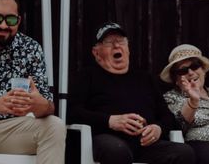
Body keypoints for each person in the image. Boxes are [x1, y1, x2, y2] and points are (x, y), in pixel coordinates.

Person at [68, 22, 195, 164]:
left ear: (127, 49)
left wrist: (158, 128)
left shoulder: (145, 78)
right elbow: (72, 112)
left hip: (145, 144)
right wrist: (110, 121)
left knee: (184, 152)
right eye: (109, 42)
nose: (117, 46)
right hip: (108, 140)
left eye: (121, 41)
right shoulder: (88, 76)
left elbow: (167, 117)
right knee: (116, 150)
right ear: (96, 52)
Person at [0, 0, 66, 163]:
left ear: (18, 21)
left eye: (10, 19)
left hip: (14, 130)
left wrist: (38, 105)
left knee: (54, 125)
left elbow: (48, 108)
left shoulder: (30, 48)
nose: (3, 25)